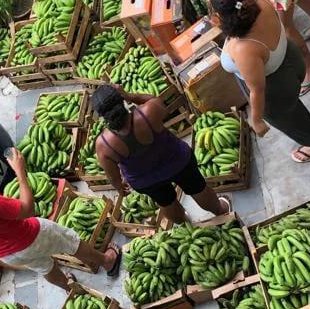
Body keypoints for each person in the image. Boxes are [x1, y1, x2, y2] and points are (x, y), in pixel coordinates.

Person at [0, 152, 121, 290]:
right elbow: (28, 209)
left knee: (45, 267)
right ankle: (107, 262)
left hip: (7, 254)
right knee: (71, 241)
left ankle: (69, 287)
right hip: (32, 235)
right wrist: (20, 172)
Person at [208, 0, 310, 163]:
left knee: (286, 117)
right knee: (292, 106)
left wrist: (258, 120)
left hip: (275, 86)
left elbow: (257, 90)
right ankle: (305, 123)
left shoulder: (243, 49)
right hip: (290, 58)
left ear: (216, 18)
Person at [91, 84, 230, 223]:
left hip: (146, 180)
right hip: (176, 160)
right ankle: (220, 211)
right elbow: (157, 102)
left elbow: (113, 177)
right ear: (121, 100)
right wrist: (130, 96)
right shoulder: (148, 112)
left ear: (102, 115)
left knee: (165, 201)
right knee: (197, 188)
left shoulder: (103, 144)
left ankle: (183, 222)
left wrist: (120, 189)